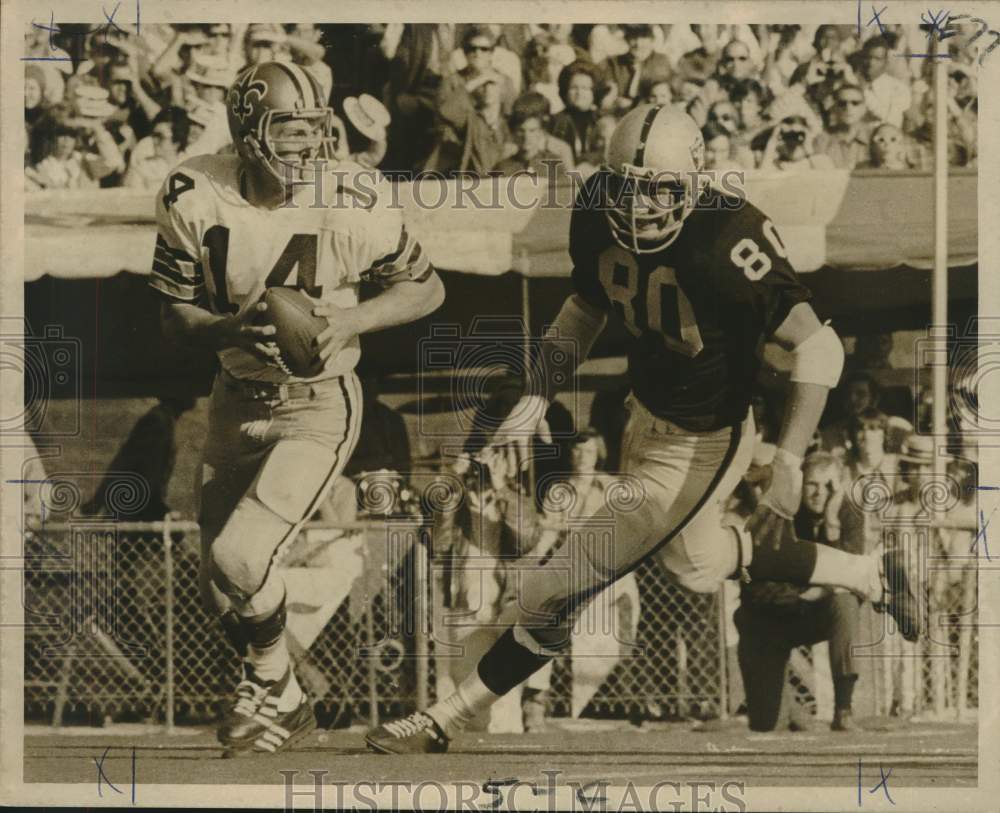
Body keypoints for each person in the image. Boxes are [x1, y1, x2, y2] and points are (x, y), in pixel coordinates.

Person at [367, 104, 919, 754]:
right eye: (629, 186)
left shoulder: (728, 239)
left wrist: (790, 461)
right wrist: (537, 397)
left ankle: (446, 718)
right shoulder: (595, 210)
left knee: (556, 583)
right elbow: (583, 308)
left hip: (705, 438)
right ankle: (870, 574)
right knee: (700, 562)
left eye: (659, 187)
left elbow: (821, 348)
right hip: (644, 415)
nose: (641, 205)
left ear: (693, 180)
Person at [150, 61, 444, 756]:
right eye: (288, 132)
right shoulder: (194, 191)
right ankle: (281, 689)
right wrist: (224, 328)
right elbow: (171, 315)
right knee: (220, 585)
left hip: (319, 402)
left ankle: (271, 685)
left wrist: (355, 320)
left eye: (314, 132)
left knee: (241, 554)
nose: (306, 148)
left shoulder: (352, 196)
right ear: (248, 133)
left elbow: (426, 290)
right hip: (234, 398)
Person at [736, 452, 867, 732]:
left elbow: (852, 576)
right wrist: (804, 593)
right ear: (801, 484)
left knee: (845, 603)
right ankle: (791, 711)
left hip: (817, 612)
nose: (820, 493)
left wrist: (832, 525)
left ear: (840, 486)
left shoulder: (848, 514)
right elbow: (756, 587)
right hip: (771, 619)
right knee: (766, 725)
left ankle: (843, 709)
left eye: (828, 486)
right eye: (812, 485)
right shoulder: (783, 513)